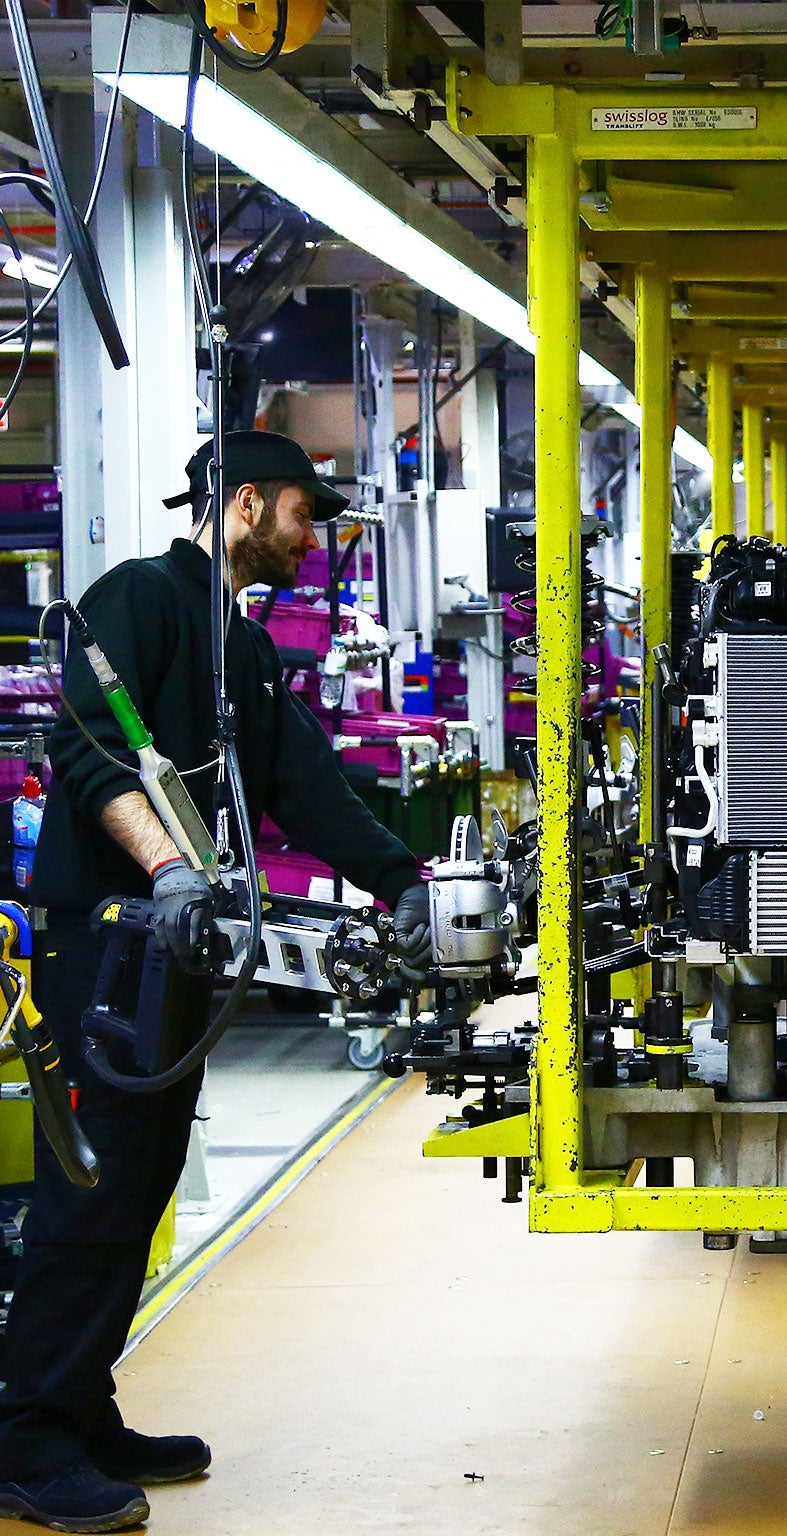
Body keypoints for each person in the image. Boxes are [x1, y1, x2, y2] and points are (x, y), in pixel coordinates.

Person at [0, 432, 434, 1533]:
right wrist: (168, 867)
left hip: (174, 946)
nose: (309, 536)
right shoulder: (138, 599)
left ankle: (81, 1407)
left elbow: (303, 785)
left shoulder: (243, 650)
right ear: (244, 503)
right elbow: (86, 750)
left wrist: (403, 881)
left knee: (140, 1182)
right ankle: (26, 1437)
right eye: (300, 513)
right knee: (90, 1187)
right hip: (107, 943)